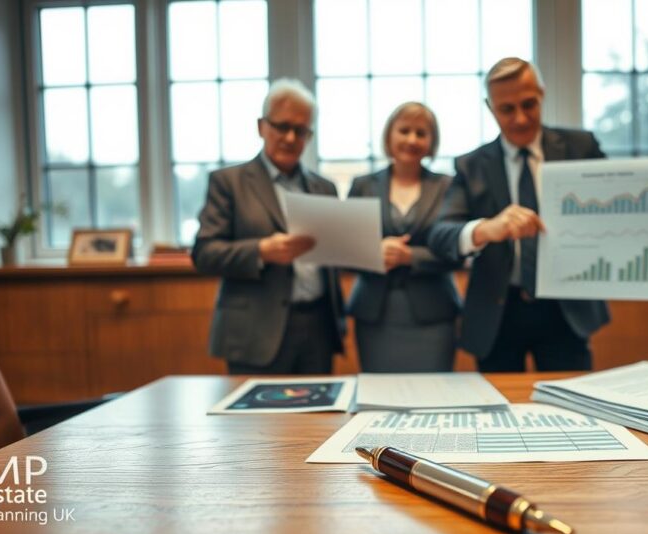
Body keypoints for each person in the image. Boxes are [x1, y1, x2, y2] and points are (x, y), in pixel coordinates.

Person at [428, 57, 648, 372]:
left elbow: (624, 209)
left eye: (528, 104)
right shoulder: (471, 165)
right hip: (497, 313)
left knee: (573, 408)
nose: (520, 118)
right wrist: (487, 229)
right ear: (490, 108)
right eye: (507, 109)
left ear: (542, 94)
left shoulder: (580, 146)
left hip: (566, 311)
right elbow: (440, 235)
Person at [191, 79, 345, 375]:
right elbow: (205, 253)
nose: (290, 138)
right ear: (262, 126)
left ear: (309, 135)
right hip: (255, 330)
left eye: (300, 131)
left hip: (318, 327)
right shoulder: (229, 183)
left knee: (320, 419)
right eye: (282, 126)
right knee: (257, 421)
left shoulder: (324, 188)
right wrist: (262, 251)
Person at [346, 102, 462, 372]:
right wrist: (373, 253)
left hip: (434, 314)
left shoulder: (448, 187)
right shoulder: (362, 185)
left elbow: (459, 250)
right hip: (374, 314)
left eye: (421, 133)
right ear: (389, 136)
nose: (412, 139)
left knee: (434, 396)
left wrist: (412, 257)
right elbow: (344, 251)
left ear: (432, 141)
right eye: (404, 130)